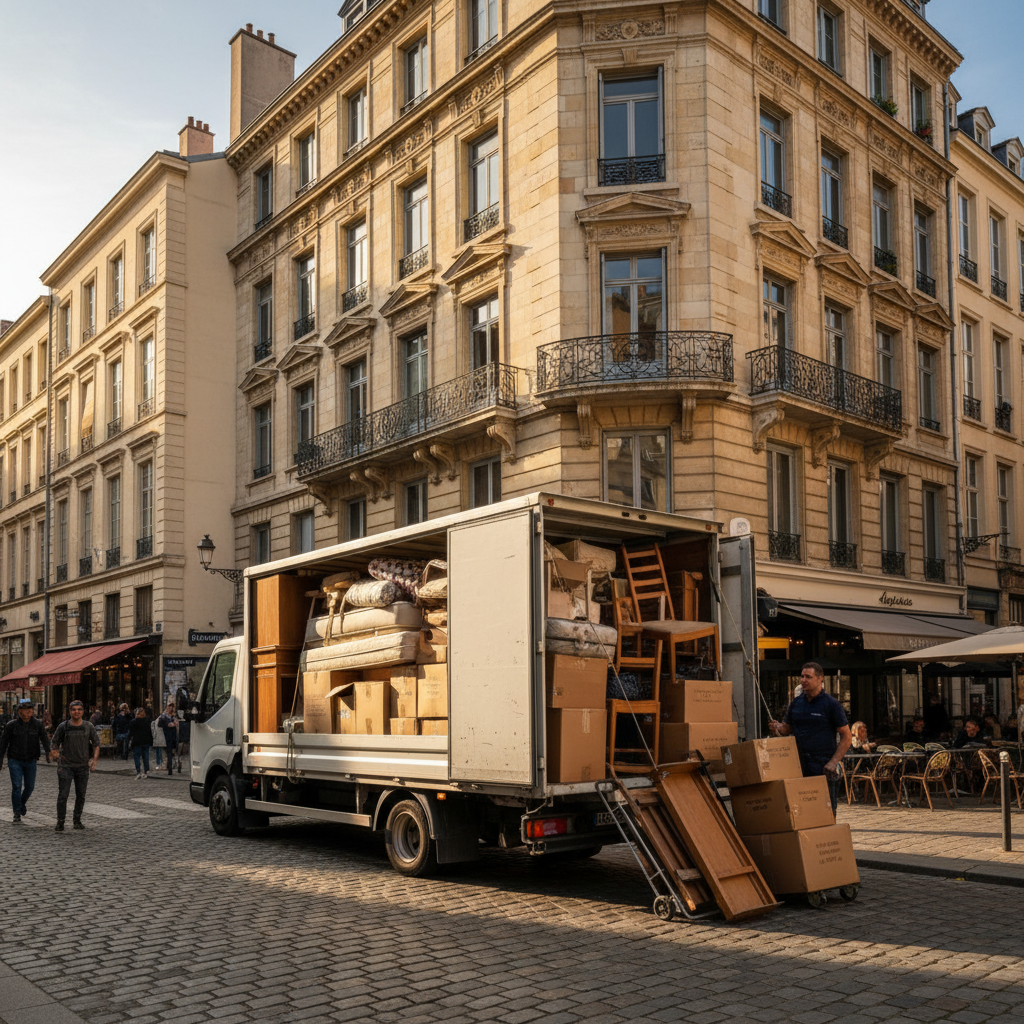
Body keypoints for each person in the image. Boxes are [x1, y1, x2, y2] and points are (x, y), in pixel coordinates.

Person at [768, 662, 852, 815]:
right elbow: (788, 728)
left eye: (808, 677)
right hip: (798, 764)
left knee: (825, 811)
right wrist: (778, 727)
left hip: (823, 765)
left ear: (821, 679)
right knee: (803, 811)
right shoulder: (796, 703)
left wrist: (833, 762)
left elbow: (847, 735)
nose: (803, 680)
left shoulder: (831, 704)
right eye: (802, 676)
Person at [50, 700, 100, 831]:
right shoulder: (63, 726)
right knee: (63, 795)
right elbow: (54, 742)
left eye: (79, 709)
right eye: (73, 710)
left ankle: (77, 820)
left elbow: (96, 744)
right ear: (70, 711)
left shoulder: (88, 726)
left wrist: (94, 760)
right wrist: (55, 754)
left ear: (83, 711)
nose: (76, 712)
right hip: (66, 766)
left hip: (82, 766)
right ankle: (60, 821)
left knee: (81, 795)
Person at [0, 698, 52, 823]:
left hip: (31, 760)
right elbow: (3, 744)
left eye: (29, 710)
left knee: (30, 787)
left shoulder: (38, 724)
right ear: (19, 712)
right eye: (24, 711)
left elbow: (45, 739)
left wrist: (48, 753)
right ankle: (16, 812)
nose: (27, 713)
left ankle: (21, 803)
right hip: (15, 760)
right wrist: (0, 761)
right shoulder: (11, 725)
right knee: (17, 786)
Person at [127, 707, 153, 780]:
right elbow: (149, 732)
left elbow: (131, 733)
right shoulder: (147, 721)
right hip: (146, 741)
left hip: (137, 742)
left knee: (137, 757)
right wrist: (151, 741)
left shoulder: (133, 722)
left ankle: (138, 771)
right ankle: (146, 771)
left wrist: (128, 740)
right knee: (146, 757)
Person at [157, 701, 180, 775]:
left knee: (175, 752)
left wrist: (175, 724)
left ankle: (175, 766)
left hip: (173, 737)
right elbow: (159, 724)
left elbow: (177, 726)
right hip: (167, 737)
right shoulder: (163, 716)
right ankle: (170, 769)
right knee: (169, 753)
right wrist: (167, 725)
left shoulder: (173, 716)